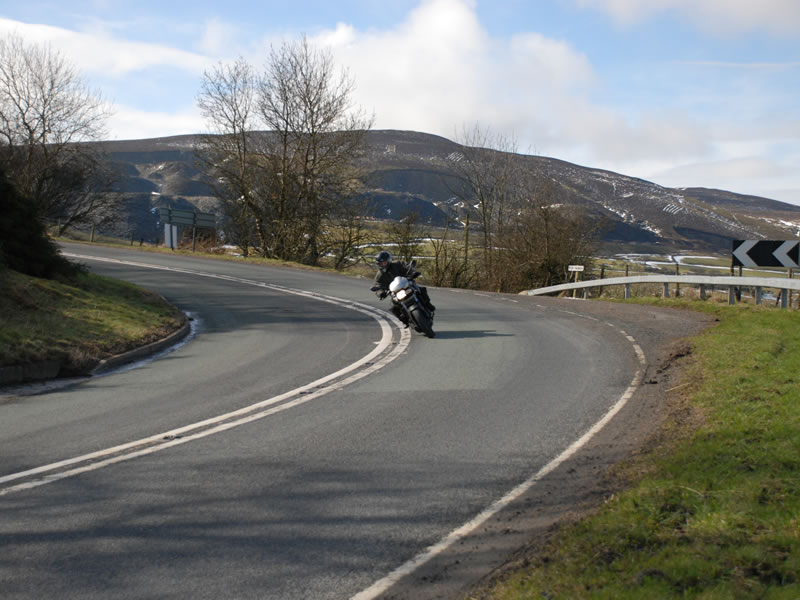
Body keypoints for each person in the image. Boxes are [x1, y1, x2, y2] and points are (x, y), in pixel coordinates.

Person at [371, 250, 435, 327]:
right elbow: (377, 286)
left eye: (385, 262)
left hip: (406, 284)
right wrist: (381, 292)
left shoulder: (397, 264)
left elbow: (407, 266)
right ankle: (405, 321)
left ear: (389, 260)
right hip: (394, 293)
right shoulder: (379, 275)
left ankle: (428, 305)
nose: (384, 264)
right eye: (381, 263)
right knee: (393, 307)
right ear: (379, 264)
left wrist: (412, 271)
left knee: (422, 290)